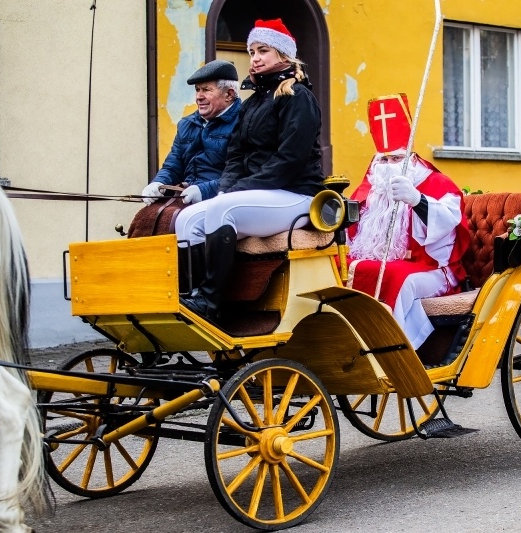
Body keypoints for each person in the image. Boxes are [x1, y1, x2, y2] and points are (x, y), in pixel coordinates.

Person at [174, 18, 325, 321]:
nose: (255, 57)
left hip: (295, 193)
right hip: (259, 193)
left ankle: (211, 303)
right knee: (187, 218)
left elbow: (290, 160)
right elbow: (236, 155)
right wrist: (226, 187)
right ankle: (189, 297)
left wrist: (240, 190)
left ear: (284, 55)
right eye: (252, 51)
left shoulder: (298, 97)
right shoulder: (253, 103)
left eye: (263, 50)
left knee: (222, 211)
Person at [346, 94, 471, 349]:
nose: (389, 165)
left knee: (395, 277)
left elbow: (448, 223)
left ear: (411, 157)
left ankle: (390, 350)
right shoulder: (372, 187)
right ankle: (345, 344)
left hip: (433, 268)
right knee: (336, 267)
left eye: (396, 158)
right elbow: (351, 232)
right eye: (384, 159)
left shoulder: (435, 182)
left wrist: (417, 199)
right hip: (383, 259)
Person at [140, 60, 241, 206]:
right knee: (144, 223)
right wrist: (158, 184)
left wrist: (204, 190)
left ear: (229, 94)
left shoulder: (244, 122)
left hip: (222, 201)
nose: (199, 97)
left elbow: (241, 173)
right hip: (186, 197)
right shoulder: (186, 124)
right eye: (197, 90)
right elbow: (172, 166)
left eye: (206, 90)